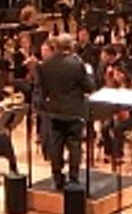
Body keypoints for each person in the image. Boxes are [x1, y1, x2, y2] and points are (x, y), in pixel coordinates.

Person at [40, 33, 95, 189]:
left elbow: (44, 92)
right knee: (74, 145)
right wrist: (88, 73)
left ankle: (57, 178)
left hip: (55, 111)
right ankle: (73, 179)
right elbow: (89, 87)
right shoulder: (76, 64)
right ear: (71, 46)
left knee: (56, 145)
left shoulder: (45, 64)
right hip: (74, 112)